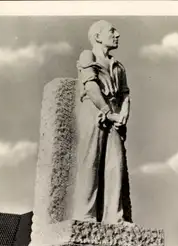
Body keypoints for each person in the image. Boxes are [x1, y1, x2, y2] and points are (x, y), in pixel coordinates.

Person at [73, 20, 132, 223]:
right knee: (91, 161)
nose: (117, 34)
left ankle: (115, 217)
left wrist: (123, 114)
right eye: (111, 31)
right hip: (94, 111)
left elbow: (125, 94)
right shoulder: (87, 56)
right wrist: (107, 111)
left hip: (115, 116)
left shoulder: (118, 66)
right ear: (98, 36)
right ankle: (86, 215)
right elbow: (90, 86)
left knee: (116, 164)